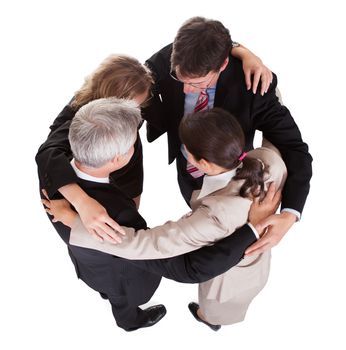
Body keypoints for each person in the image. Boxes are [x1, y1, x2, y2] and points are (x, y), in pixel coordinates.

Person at [44, 106, 287, 331]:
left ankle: (209, 319)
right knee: (118, 294)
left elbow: (150, 245)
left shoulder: (214, 216)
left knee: (217, 306)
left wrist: (74, 221)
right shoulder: (270, 161)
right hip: (105, 270)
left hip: (233, 275)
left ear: (202, 163)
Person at [36, 46, 273, 244]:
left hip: (126, 162)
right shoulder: (81, 118)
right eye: (138, 107)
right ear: (114, 107)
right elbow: (48, 153)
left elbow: (191, 45)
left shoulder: (133, 78)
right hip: (95, 170)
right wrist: (81, 201)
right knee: (114, 232)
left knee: (129, 213)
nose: (143, 109)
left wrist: (243, 52)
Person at [141, 16, 313, 256]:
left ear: (222, 65)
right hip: (187, 177)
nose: (186, 89)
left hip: (232, 184)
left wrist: (290, 214)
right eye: (180, 78)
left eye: (197, 83)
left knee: (228, 251)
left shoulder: (254, 87)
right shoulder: (169, 58)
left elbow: (295, 149)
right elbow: (135, 84)